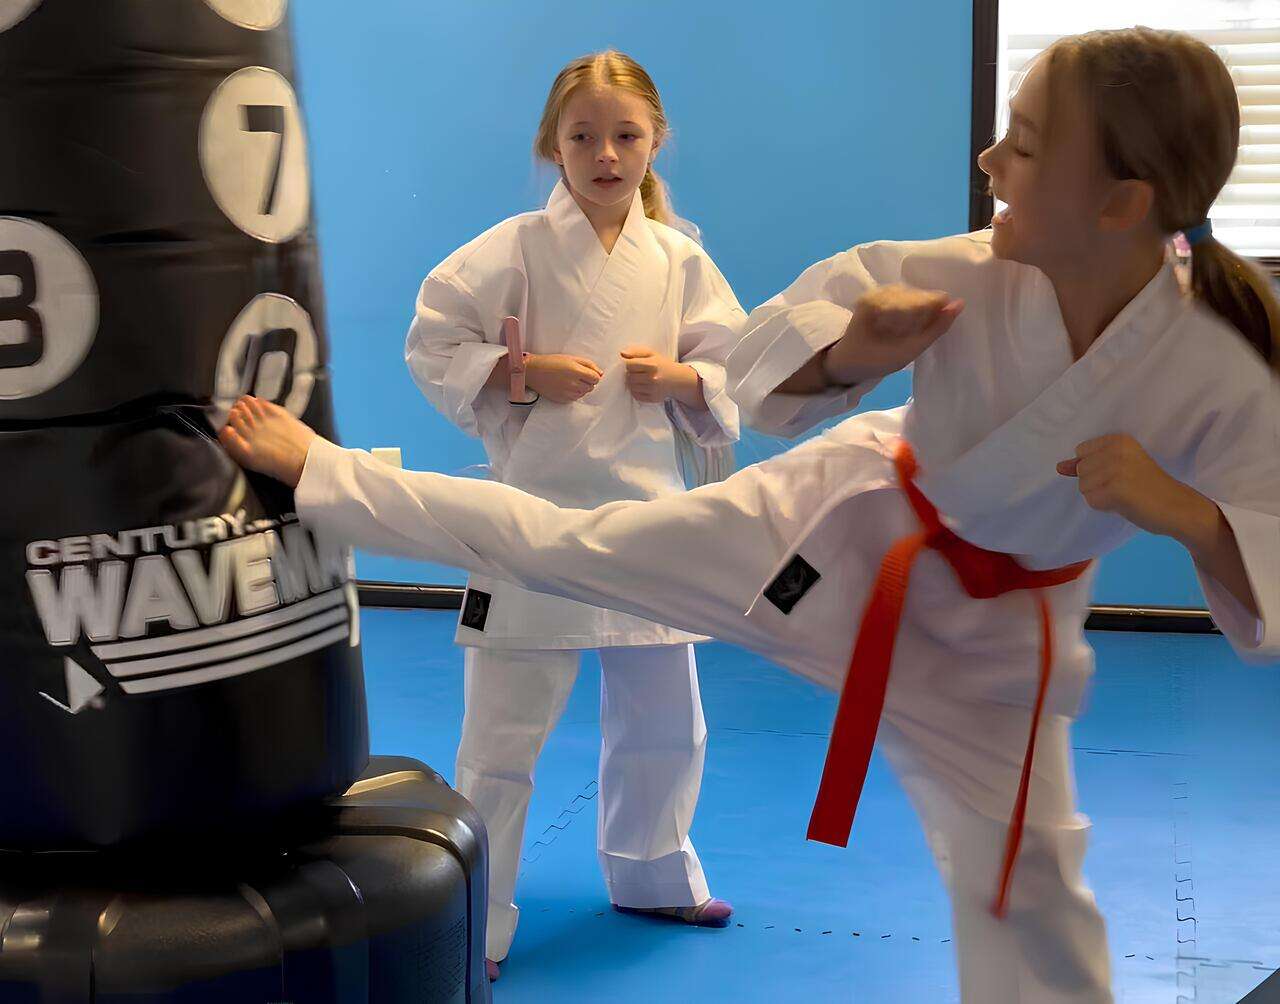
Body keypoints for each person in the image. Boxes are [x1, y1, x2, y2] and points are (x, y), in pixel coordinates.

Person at [220, 29, 1280, 1002]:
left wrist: (1180, 509)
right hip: (840, 519)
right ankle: (324, 472)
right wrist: (856, 350)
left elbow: (1264, 534)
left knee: (1028, 876)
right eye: (1000, 137)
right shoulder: (966, 271)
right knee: (552, 556)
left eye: (1026, 146)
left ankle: (650, 866)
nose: (988, 163)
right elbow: (785, 348)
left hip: (995, 637)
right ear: (553, 145)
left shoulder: (1222, 362)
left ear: (1119, 203)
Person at [397, 50, 745, 979]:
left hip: (647, 524)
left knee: (670, 721)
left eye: (625, 135)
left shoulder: (678, 257)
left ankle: (653, 871)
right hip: (530, 521)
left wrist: (682, 378)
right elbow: (433, 338)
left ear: (655, 141)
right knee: (503, 737)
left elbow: (732, 363)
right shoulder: (512, 247)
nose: (605, 153)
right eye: (583, 135)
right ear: (552, 145)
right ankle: (477, 917)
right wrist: (519, 374)